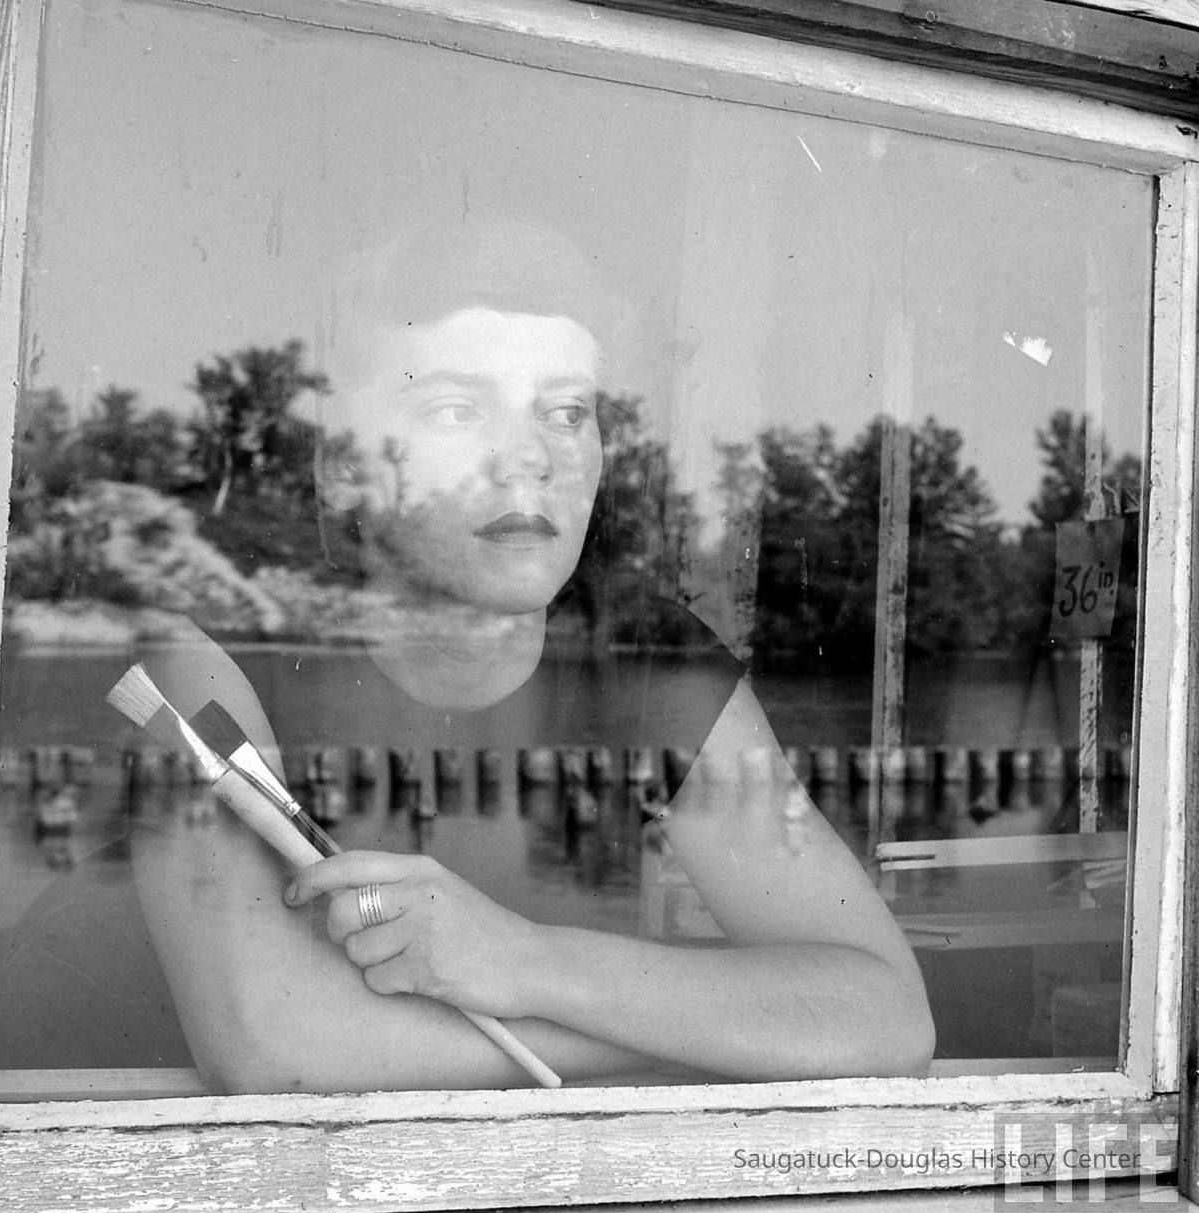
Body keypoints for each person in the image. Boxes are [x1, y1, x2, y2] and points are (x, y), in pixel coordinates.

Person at [133, 217, 934, 1091]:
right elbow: (275, 1041)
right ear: (345, 467)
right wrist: (707, 1029)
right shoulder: (218, 645)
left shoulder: (645, 662)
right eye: (456, 408)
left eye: (566, 412)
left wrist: (522, 959)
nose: (528, 457)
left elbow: (884, 1014)